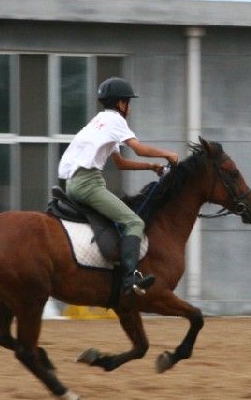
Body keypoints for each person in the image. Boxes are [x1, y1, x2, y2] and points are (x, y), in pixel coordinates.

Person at [57, 77, 179, 297]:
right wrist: (167, 154)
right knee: (134, 222)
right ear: (121, 104)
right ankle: (129, 278)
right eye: (128, 103)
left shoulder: (99, 121)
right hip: (88, 185)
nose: (129, 108)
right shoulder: (116, 121)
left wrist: (152, 166)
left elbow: (121, 163)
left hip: (73, 183)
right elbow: (138, 149)